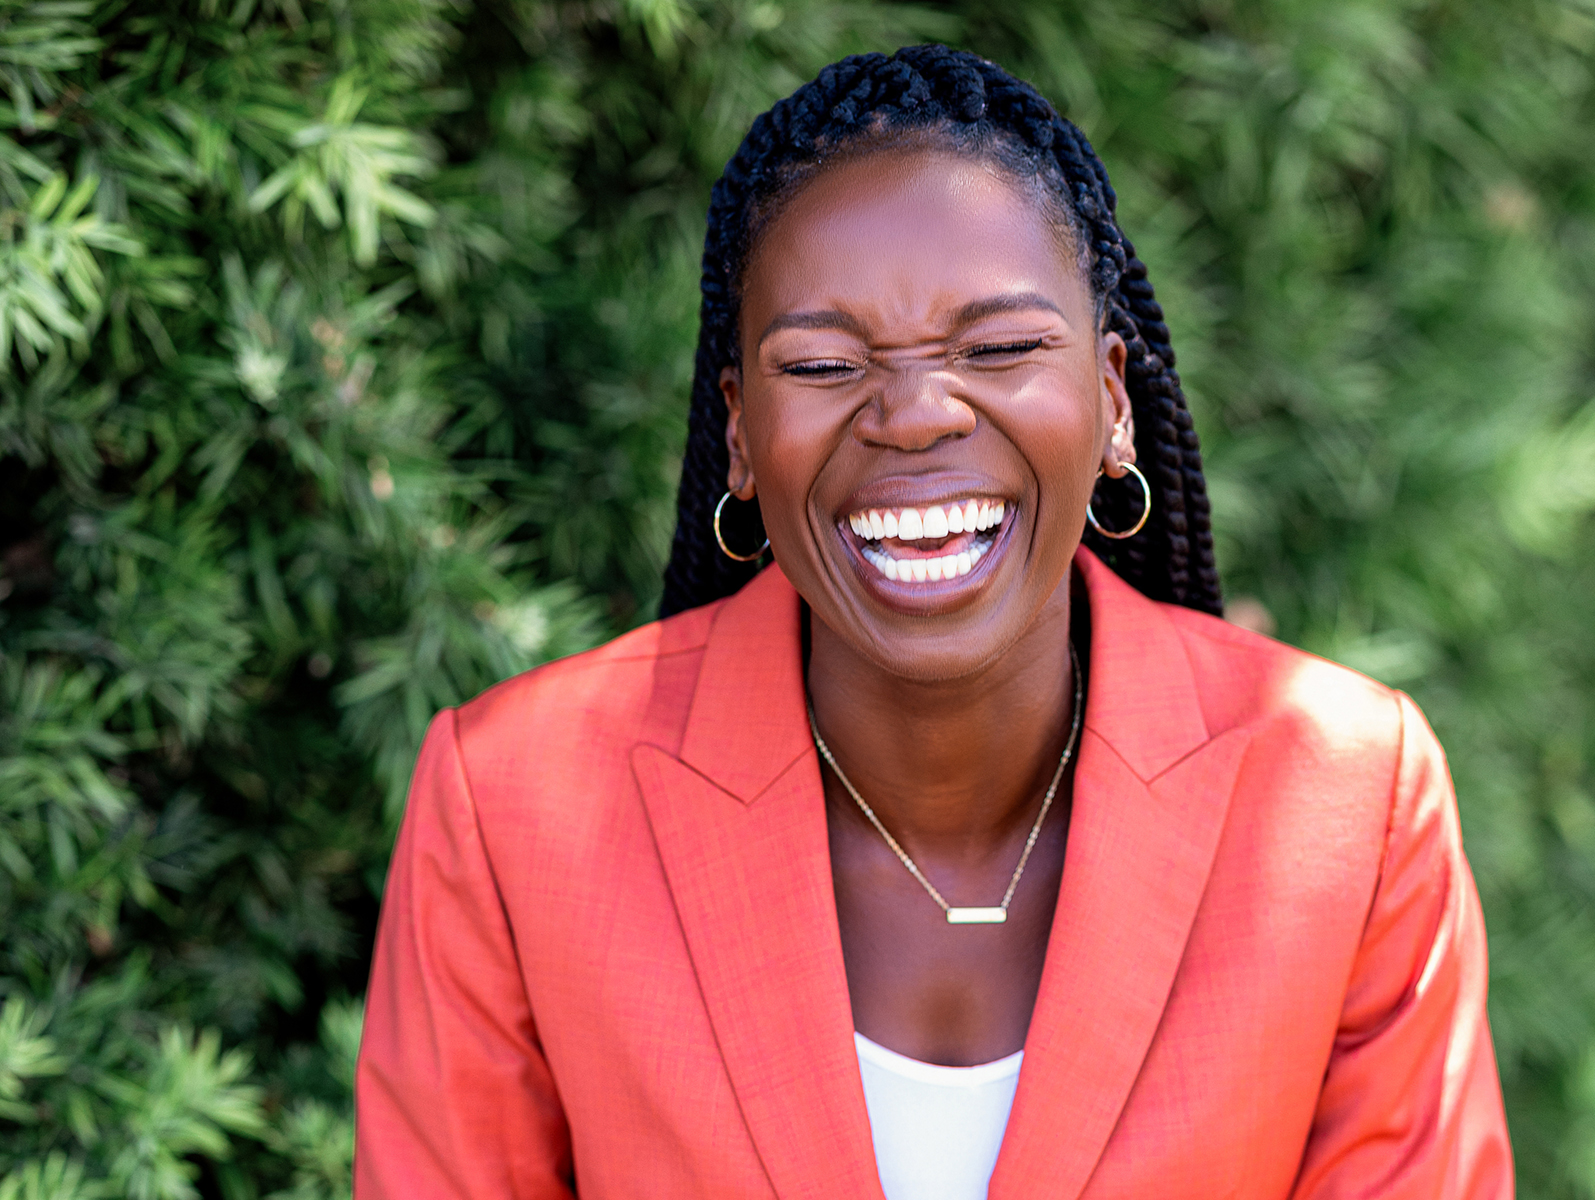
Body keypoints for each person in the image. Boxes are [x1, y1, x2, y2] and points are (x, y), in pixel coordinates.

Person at [354, 44, 1514, 1200]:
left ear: (1113, 400)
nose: (914, 415)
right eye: (823, 363)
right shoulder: (512, 806)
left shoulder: (1348, 804)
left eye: (999, 347)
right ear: (741, 433)